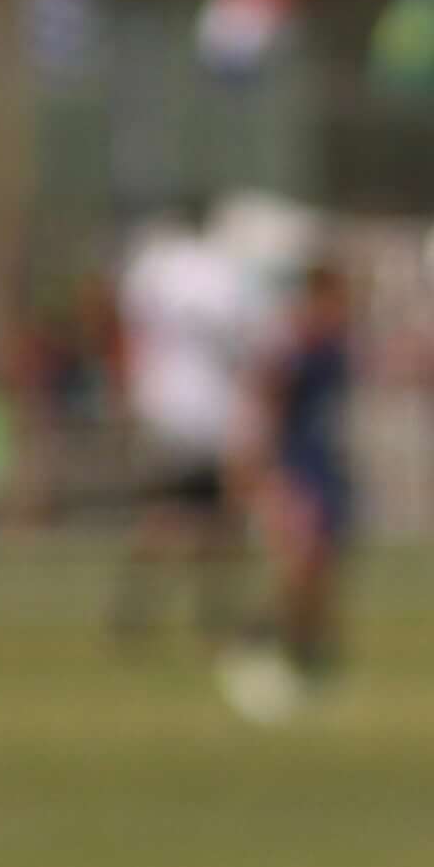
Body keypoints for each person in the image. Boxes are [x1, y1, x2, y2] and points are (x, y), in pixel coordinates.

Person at [110, 209, 271, 655]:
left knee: (172, 514)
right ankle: (207, 615)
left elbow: (126, 333)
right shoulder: (228, 270)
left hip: (164, 407)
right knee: (210, 517)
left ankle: (142, 614)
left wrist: (129, 392)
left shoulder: (156, 266)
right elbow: (254, 347)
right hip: (209, 413)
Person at [233, 253, 359, 715]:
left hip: (325, 463)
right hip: (295, 464)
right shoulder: (296, 341)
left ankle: (310, 656)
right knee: (299, 561)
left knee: (322, 568)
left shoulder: (338, 340)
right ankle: (259, 641)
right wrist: (257, 462)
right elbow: (266, 397)